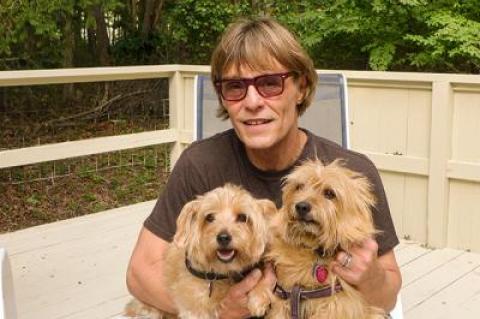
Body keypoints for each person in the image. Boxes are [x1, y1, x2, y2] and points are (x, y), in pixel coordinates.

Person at [126, 16, 402, 318]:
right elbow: (140, 273)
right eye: (235, 87)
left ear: (301, 87)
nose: (253, 102)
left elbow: (388, 296)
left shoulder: (353, 174)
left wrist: (371, 277)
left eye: (270, 83)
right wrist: (218, 312)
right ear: (223, 97)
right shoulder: (200, 164)